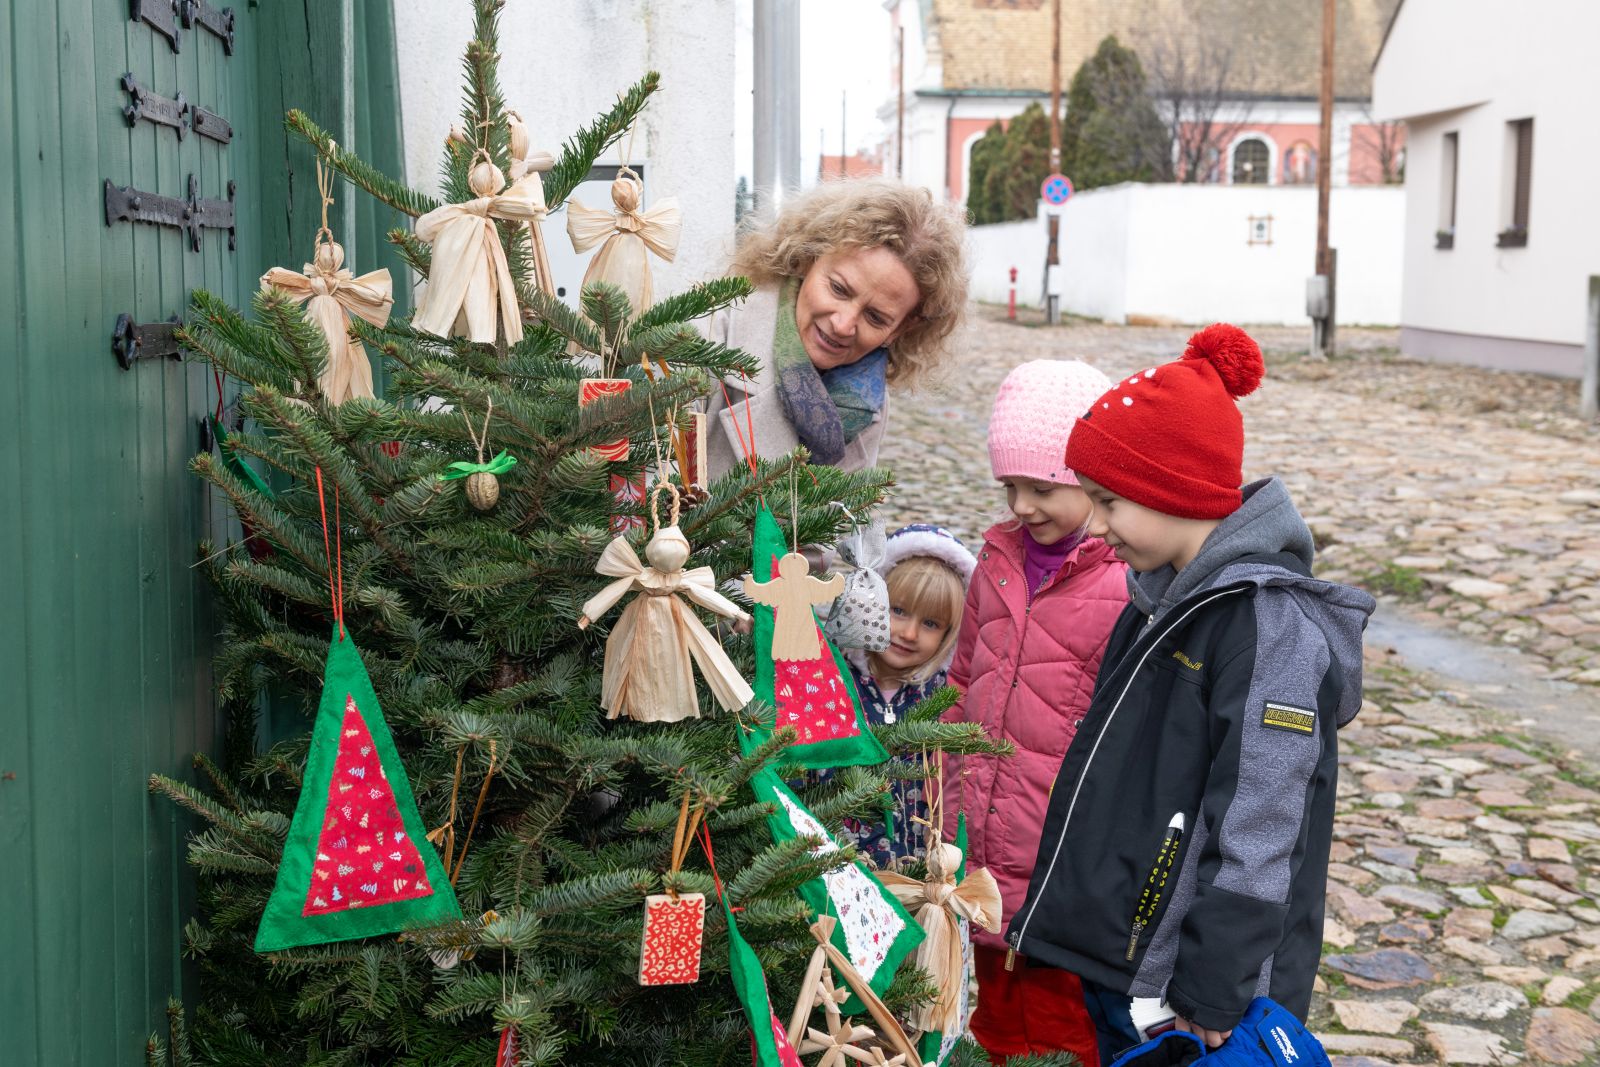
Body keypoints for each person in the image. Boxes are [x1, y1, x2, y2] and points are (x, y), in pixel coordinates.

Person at [1005, 325, 1376, 1064]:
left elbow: (1262, 823)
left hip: (1193, 992)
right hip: (1132, 966)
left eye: (1109, 502)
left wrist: (1214, 983)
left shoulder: (1266, 626)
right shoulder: (1159, 599)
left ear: (1168, 490)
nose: (1096, 526)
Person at [942, 360, 1130, 1067]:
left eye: (1043, 488)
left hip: (1057, 853)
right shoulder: (996, 561)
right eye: (1009, 487)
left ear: (1094, 481)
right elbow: (964, 677)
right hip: (981, 842)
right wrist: (946, 787)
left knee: (1061, 1028)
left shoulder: (1124, 583)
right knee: (988, 1012)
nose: (1021, 505)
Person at [702, 179, 968, 481]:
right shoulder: (709, 343)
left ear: (901, 329)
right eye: (839, 289)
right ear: (808, 257)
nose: (843, 325)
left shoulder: (867, 400)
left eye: (875, 317)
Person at [836, 525, 977, 869]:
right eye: (897, 610)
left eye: (930, 624)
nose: (909, 633)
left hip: (915, 869)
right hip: (840, 863)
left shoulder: (943, 697)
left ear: (950, 634)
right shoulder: (837, 680)